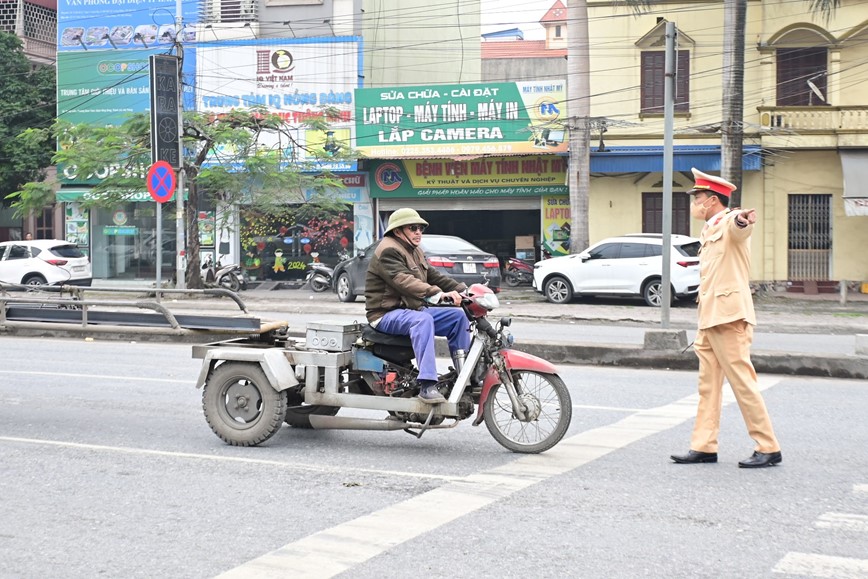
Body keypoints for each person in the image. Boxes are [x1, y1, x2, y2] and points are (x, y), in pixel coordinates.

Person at [671, 168, 782, 468]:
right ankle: (704, 445)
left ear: (711, 200)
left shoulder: (729, 221)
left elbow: (740, 225)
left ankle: (768, 446)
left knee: (742, 382)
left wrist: (742, 218)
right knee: (708, 386)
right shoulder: (709, 228)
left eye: (698, 197)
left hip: (729, 317)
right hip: (709, 318)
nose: (694, 202)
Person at [365, 208, 470, 404]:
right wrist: (437, 294)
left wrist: (463, 290)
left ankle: (465, 376)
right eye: (413, 228)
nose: (418, 232)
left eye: (421, 228)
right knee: (423, 320)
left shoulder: (415, 250)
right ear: (398, 231)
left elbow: (433, 275)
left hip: (410, 310)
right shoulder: (388, 250)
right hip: (385, 314)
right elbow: (403, 281)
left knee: (458, 317)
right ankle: (427, 384)